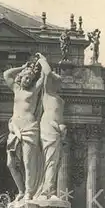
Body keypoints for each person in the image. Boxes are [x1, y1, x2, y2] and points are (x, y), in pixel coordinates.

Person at [3, 61, 44, 201]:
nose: (28, 80)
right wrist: (23, 66)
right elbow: (6, 74)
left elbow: (44, 77)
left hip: (29, 127)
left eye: (30, 79)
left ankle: (28, 192)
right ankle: (21, 189)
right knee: (11, 163)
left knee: (27, 162)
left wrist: (42, 62)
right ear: (21, 77)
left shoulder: (34, 91)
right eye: (26, 77)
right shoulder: (16, 89)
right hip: (15, 128)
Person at [35, 53, 67, 199]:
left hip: (57, 131)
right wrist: (43, 61)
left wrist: (62, 128)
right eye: (56, 81)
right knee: (50, 160)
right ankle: (46, 190)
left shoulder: (58, 98)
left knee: (55, 161)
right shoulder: (47, 93)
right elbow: (47, 72)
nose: (58, 84)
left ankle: (50, 189)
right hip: (49, 126)